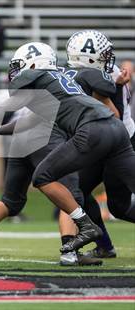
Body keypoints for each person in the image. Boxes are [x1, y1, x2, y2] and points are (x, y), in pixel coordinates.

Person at [0, 41, 135, 258]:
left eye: (20, 66)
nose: (16, 72)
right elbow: (31, 119)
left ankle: (85, 226)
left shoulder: (36, 78)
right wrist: (114, 81)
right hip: (117, 131)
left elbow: (0, 109)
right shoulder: (62, 80)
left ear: (33, 66)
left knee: (43, 177)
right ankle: (91, 237)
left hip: (91, 131)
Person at [62, 30, 135, 258]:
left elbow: (112, 117)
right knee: (77, 193)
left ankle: (103, 245)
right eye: (103, 53)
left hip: (120, 143)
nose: (108, 57)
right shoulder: (90, 76)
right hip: (97, 144)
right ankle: (104, 245)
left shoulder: (107, 76)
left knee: (119, 206)